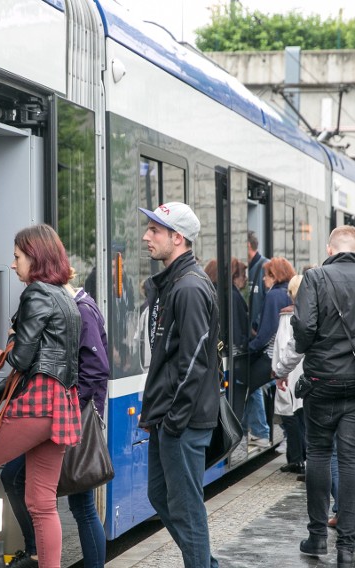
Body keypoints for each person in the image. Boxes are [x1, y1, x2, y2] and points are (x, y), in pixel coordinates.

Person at [0, 224, 82, 568]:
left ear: (36, 257)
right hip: (62, 404)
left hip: (39, 399)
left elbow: (21, 357)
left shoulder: (37, 293)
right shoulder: (65, 297)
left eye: (17, 257)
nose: (13, 265)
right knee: (42, 502)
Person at [291, 226, 355, 566]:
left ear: (330, 248)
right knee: (352, 457)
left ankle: (317, 536)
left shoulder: (316, 277)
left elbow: (305, 328)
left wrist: (315, 346)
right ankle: (347, 548)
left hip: (322, 379)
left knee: (319, 454)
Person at [1, 283, 109, 568]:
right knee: (77, 502)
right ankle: (37, 552)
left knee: (81, 504)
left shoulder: (82, 311)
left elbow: (97, 368)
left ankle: (37, 552)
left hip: (75, 418)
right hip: (70, 415)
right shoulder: (75, 307)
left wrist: (69, 402)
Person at [138, 202, 220, 568]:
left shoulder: (188, 288)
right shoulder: (172, 284)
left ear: (178, 238)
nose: (146, 236)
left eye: (155, 230)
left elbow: (195, 361)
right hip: (168, 416)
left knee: (186, 508)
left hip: (181, 420)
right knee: (161, 495)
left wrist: (174, 419)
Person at [244, 258, 296, 448]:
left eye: (266, 276)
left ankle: (258, 432)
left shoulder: (274, 295)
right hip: (283, 355)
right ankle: (262, 432)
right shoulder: (287, 292)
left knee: (245, 383)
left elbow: (267, 331)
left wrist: (250, 348)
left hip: (271, 355)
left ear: (274, 276)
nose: (264, 280)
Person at [272, 274, 306, 477]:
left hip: (292, 372)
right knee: (302, 416)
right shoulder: (313, 313)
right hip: (306, 371)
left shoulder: (288, 317)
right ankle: (300, 459)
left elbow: (284, 346)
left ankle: (298, 460)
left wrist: (279, 370)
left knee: (292, 415)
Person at [247, 231, 269, 336]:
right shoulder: (243, 268)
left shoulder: (266, 266)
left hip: (258, 333)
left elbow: (268, 302)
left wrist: (257, 325)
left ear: (248, 245)